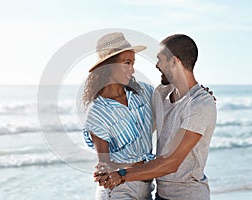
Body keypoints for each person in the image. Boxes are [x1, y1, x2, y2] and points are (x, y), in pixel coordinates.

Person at [95, 34, 217, 200]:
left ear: (174, 62)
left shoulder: (200, 104)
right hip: (159, 195)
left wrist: (122, 175)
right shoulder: (161, 93)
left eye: (160, 60)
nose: (157, 65)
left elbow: (172, 162)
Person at [82, 32, 155, 199]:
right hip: (118, 191)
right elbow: (105, 163)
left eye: (133, 63)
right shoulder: (97, 112)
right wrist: (105, 171)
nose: (132, 69)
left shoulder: (143, 93)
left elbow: (173, 100)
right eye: (127, 63)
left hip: (147, 188)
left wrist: (200, 96)